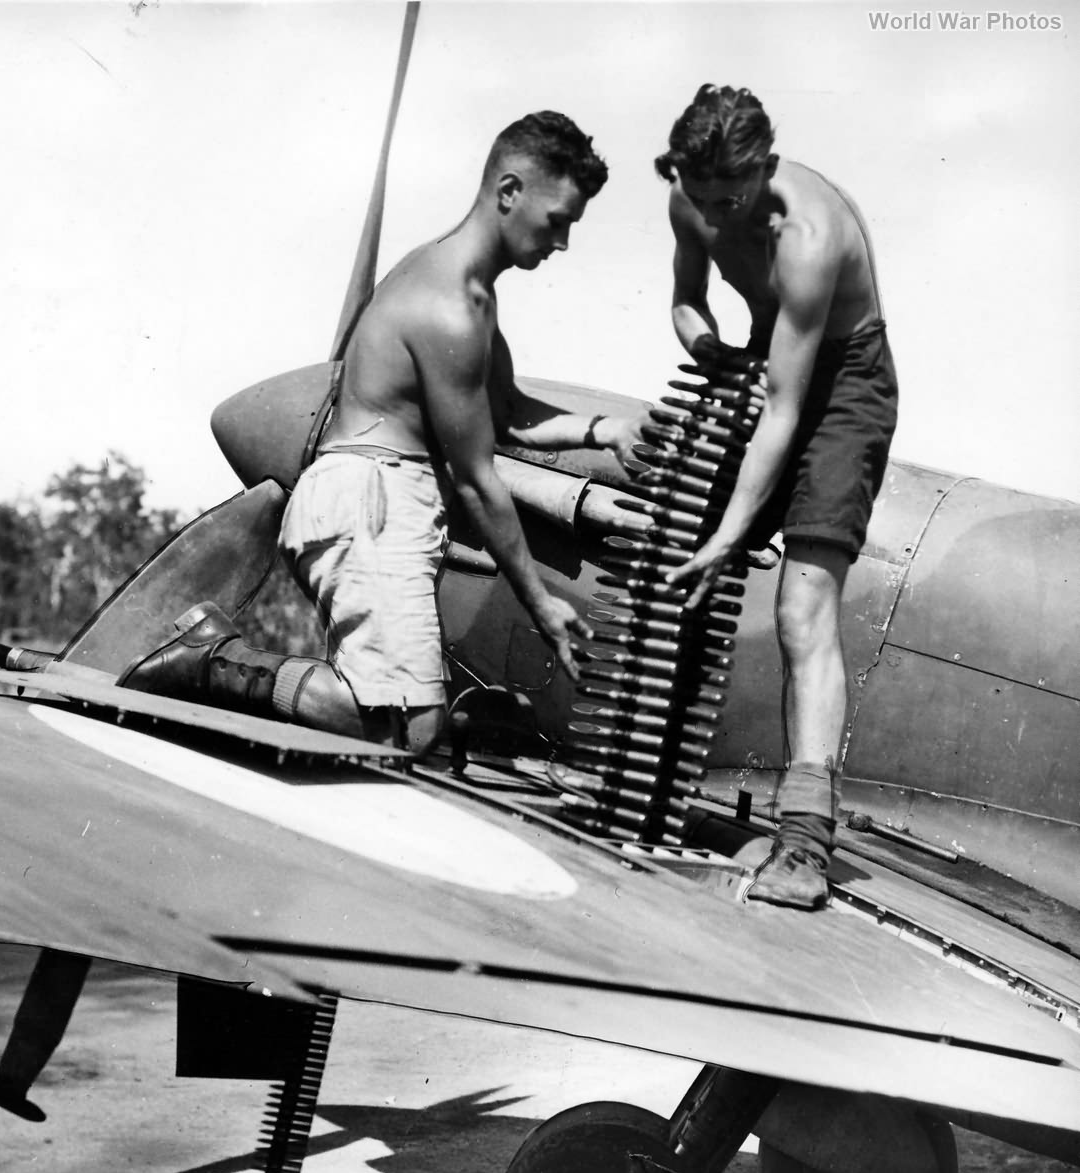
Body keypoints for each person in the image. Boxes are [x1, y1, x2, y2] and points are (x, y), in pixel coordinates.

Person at [119, 112, 646, 760]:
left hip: (385, 499)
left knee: (409, 726)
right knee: (404, 729)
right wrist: (539, 603)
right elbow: (480, 481)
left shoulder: (464, 288)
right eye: (558, 219)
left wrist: (604, 429)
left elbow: (506, 411)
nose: (561, 241)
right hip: (372, 499)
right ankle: (208, 661)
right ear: (509, 191)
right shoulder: (449, 305)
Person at [655, 85, 898, 908]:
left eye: (733, 200)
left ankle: (802, 845)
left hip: (843, 383)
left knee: (801, 604)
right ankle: (650, 778)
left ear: (762, 171)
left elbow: (790, 408)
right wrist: (716, 354)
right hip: (768, 361)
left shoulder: (810, 234)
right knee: (675, 545)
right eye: (702, 199)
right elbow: (687, 304)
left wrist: (733, 535)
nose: (718, 218)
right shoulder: (690, 204)